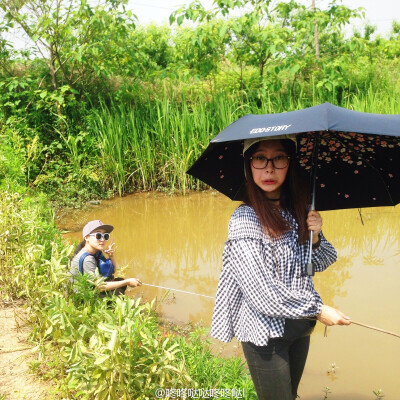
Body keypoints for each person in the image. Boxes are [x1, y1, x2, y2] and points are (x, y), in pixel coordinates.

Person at [210, 136, 351, 400]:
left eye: (280, 158)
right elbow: (261, 294)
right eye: (260, 158)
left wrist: (316, 234)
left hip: (298, 328)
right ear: (248, 165)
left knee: (291, 394)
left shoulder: (296, 211)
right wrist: (318, 309)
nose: (270, 168)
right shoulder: (245, 219)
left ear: (290, 164)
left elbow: (322, 261)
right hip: (264, 334)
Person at [70, 219, 141, 296]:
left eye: (105, 236)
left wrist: (111, 256)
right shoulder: (87, 259)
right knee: (118, 291)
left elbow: (112, 270)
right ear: (87, 237)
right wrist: (127, 282)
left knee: (120, 281)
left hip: (92, 287)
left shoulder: (96, 252)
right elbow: (99, 286)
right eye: (98, 236)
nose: (103, 239)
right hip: (82, 295)